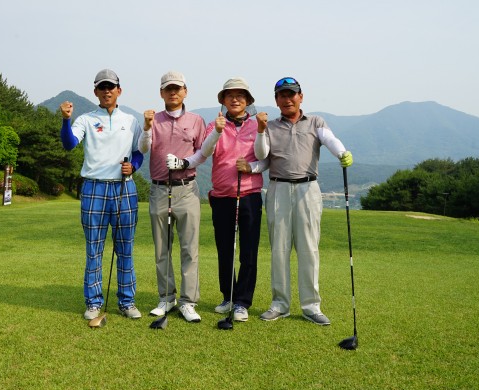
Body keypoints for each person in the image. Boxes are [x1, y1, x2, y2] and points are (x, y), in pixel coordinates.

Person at [254, 77, 353, 325]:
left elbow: (330, 139)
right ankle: (280, 304)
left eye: (292, 94)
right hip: (278, 188)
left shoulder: (316, 122)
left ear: (301, 96)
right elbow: (262, 156)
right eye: (282, 95)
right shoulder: (270, 127)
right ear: (276, 100)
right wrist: (260, 132)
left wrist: (341, 152)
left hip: (308, 188)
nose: (287, 99)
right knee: (279, 249)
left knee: (309, 249)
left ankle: (311, 306)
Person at [60, 69, 144, 321]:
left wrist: (134, 166)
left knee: (125, 248)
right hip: (93, 187)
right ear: (95, 91)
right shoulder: (85, 119)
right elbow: (69, 143)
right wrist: (65, 120)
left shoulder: (131, 120)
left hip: (124, 187)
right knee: (94, 249)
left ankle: (127, 301)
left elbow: (139, 152)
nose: (107, 91)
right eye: (102, 87)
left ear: (119, 90)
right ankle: (93, 302)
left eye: (111, 87)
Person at [139, 71, 207, 323]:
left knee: (189, 248)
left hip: (187, 189)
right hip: (159, 190)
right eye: (168, 88)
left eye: (177, 88)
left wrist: (184, 163)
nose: (173, 92)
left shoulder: (196, 120)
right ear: (161, 93)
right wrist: (147, 127)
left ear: (185, 91)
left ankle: (188, 302)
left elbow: (203, 152)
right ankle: (166, 297)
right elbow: (143, 148)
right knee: (162, 248)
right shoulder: (153, 119)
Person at [201, 78, 268, 322]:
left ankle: (242, 302)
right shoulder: (214, 125)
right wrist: (218, 131)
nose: (235, 99)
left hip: (249, 195)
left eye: (240, 95)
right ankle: (228, 296)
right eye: (230, 95)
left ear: (248, 100)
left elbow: (266, 158)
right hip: (222, 196)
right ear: (223, 100)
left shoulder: (258, 124)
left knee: (248, 251)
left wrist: (251, 167)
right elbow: (206, 151)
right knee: (225, 249)